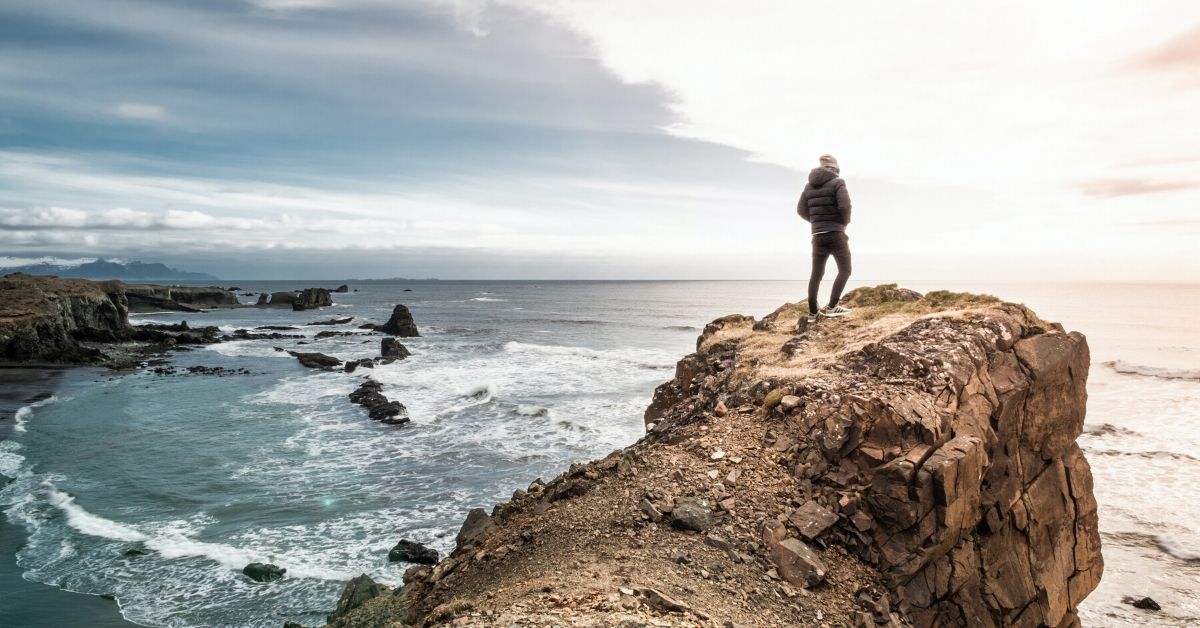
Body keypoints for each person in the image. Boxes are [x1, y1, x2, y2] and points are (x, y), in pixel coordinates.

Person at [796, 154, 852, 324]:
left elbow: (800, 210)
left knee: (816, 274)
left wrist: (816, 222)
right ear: (835, 169)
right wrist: (843, 222)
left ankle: (813, 312)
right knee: (845, 270)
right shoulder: (838, 182)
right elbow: (845, 206)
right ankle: (833, 306)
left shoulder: (809, 186)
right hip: (836, 233)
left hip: (818, 236)